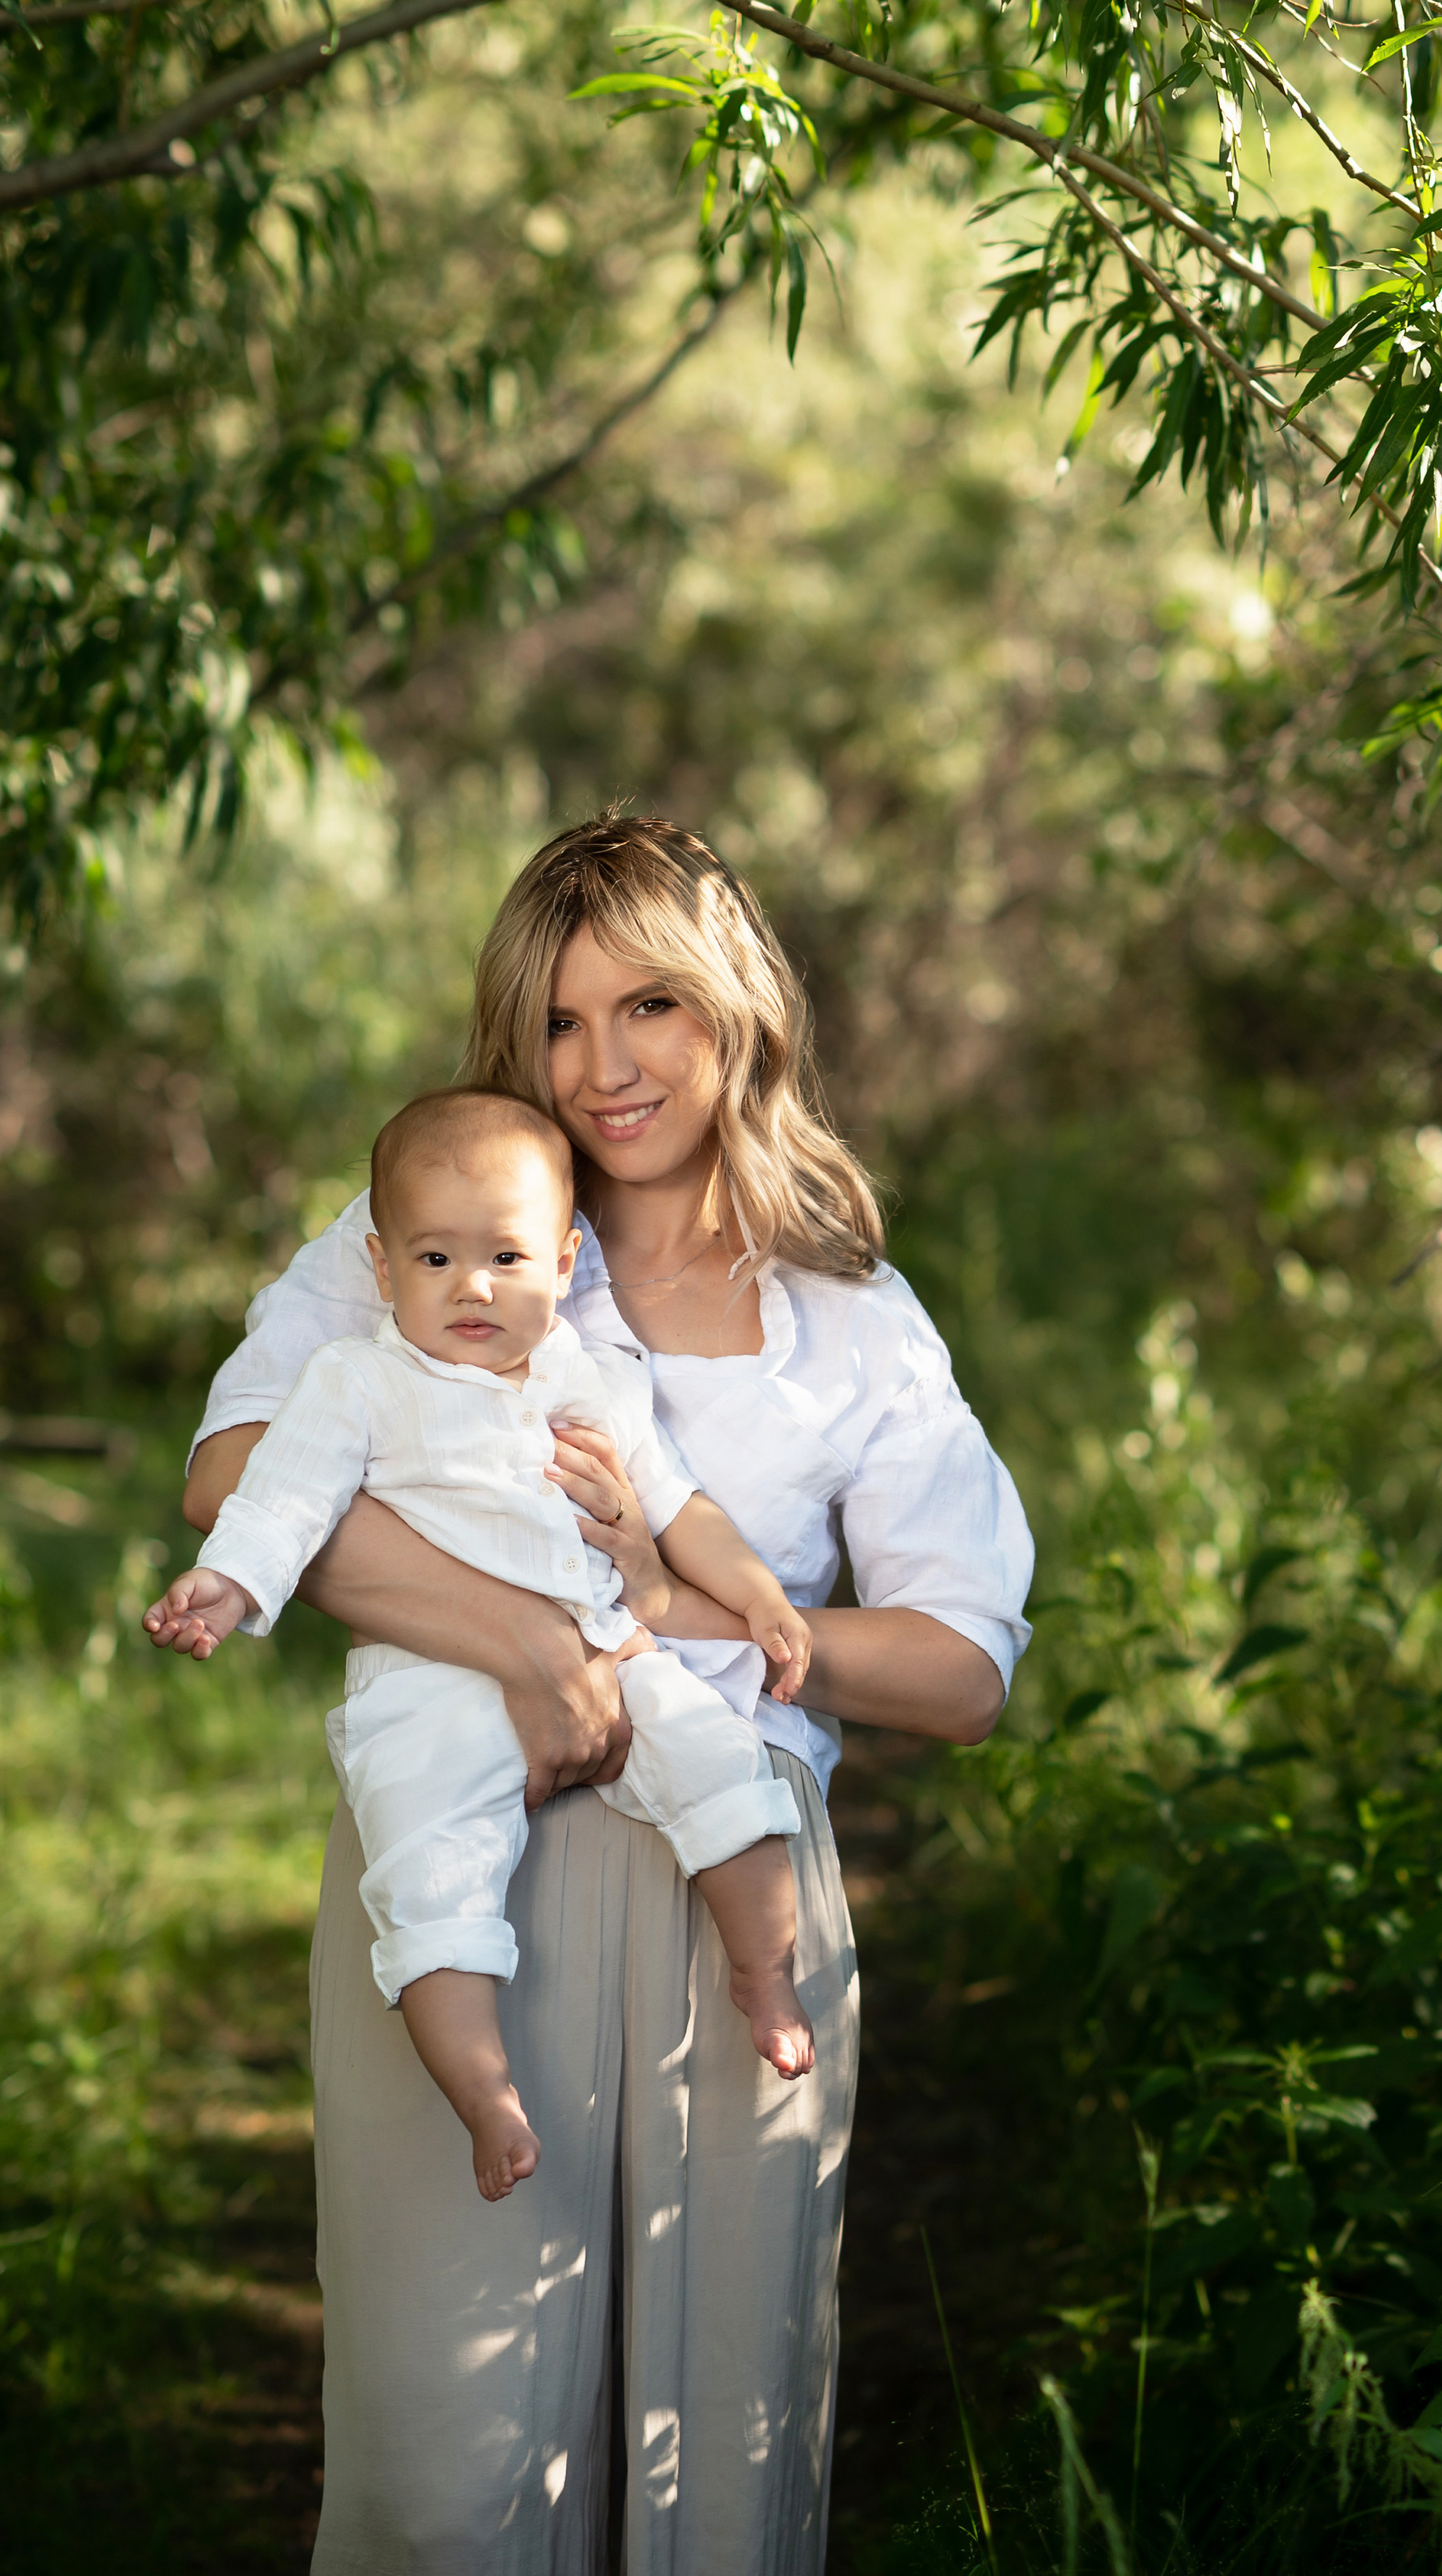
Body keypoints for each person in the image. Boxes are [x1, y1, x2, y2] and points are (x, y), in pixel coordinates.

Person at [183, 809, 1035, 2576]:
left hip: (733, 1871)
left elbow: (958, 1664)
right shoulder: (438, 1219)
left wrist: (691, 1613)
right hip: (462, 1872)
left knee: (714, 2461)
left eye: (646, 1005)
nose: (602, 1066)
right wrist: (526, 1640)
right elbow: (239, 1475)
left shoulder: (848, 1311)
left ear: (732, 1007)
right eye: (559, 1022)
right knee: (444, 2468)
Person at [150, 1087, 824, 2202]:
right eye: (435, 1257)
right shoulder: (357, 1380)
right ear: (380, 1269)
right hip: (427, 1682)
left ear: (565, 1262)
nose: (474, 1286)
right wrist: (225, 1587)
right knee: (428, 1866)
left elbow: (682, 1503)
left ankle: (765, 1974)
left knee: (723, 1764)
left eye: (507, 1256)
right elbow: (282, 1500)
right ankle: (484, 2091)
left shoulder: (589, 1377)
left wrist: (761, 1601)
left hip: (609, 1648)